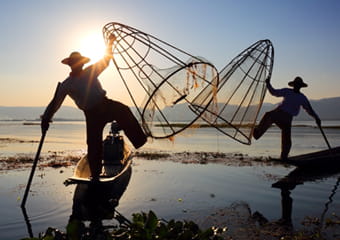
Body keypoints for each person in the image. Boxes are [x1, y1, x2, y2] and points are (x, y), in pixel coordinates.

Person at [41, 34, 147, 179]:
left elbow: (106, 60)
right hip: (91, 114)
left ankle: (140, 140)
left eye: (79, 62)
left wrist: (110, 43)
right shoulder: (67, 84)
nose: (78, 64)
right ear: (71, 64)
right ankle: (95, 175)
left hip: (105, 104)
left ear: (82, 63)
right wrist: (46, 118)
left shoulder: (90, 71)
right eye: (75, 63)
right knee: (93, 143)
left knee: (124, 110)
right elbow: (55, 102)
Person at [253, 76, 321, 160]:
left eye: (298, 85)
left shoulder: (302, 98)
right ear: (294, 85)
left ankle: (284, 156)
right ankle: (257, 133)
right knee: (268, 116)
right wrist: (268, 84)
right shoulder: (287, 91)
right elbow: (274, 92)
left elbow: (309, 109)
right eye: (296, 84)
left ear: (300, 86)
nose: (297, 86)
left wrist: (316, 118)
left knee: (286, 138)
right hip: (280, 114)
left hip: (287, 118)